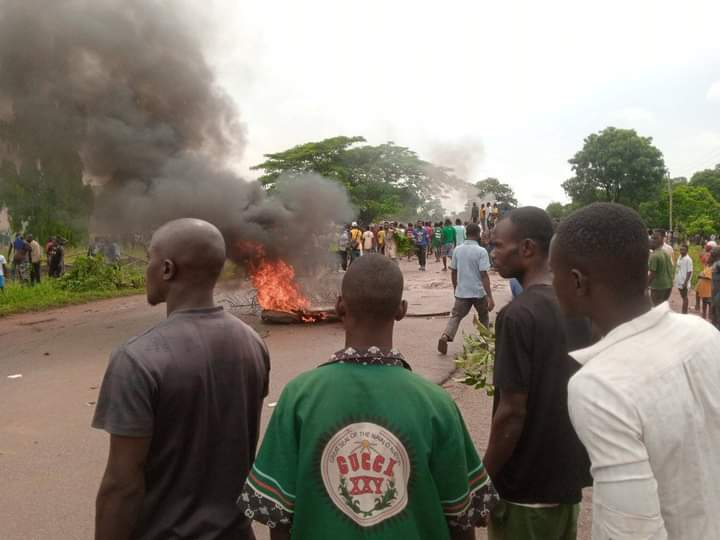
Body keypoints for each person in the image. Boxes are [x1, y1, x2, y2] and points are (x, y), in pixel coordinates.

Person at [238, 254, 498, 540]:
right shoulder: (437, 404)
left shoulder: (298, 397)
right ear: (401, 310)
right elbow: (462, 518)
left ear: (339, 306)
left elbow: (277, 516)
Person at [550, 203, 720, 539]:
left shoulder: (600, 385)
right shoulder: (703, 334)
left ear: (576, 281)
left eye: (552, 272)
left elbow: (630, 531)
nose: (550, 282)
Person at [93, 218, 270, 540]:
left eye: (150, 258)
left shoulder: (137, 358)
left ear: (166, 269)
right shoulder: (252, 344)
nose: (146, 267)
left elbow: (122, 485)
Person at [484, 207, 592, 540]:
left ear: (527, 248)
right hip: (566, 484)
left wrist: (482, 478)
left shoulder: (517, 315)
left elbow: (512, 412)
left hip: (524, 491)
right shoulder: (580, 308)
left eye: (499, 245)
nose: (493, 254)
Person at [437, 224, 494, 355]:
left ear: (466, 234)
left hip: (462, 291)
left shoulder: (457, 250)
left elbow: (453, 272)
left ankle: (445, 336)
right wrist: (489, 296)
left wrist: (455, 288)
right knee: (483, 316)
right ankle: (483, 342)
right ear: (478, 234)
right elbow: (484, 275)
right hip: (479, 292)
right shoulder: (481, 251)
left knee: (456, 316)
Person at [648, 232, 673, 306]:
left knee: (656, 308)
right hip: (668, 285)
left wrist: (645, 285)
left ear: (655, 242)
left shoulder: (654, 256)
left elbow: (652, 274)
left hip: (658, 287)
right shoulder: (665, 253)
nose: (649, 244)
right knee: (663, 308)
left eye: (650, 241)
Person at [674, 244, 693, 314]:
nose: (681, 251)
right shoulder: (680, 257)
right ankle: (684, 312)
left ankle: (684, 313)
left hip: (684, 281)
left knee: (685, 297)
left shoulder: (688, 259)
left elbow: (689, 271)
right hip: (679, 280)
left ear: (687, 251)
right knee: (683, 296)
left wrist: (685, 282)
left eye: (683, 250)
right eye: (681, 249)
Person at [712, 246, 720, 328]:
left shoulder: (719, 263)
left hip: (718, 292)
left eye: (713, 250)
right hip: (714, 291)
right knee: (714, 310)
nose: (711, 251)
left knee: (717, 312)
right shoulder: (715, 262)